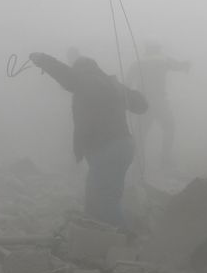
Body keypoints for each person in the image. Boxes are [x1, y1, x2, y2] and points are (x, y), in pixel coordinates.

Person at [28, 51, 148, 228]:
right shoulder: (112, 85)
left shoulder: (84, 80)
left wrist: (42, 59)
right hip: (124, 147)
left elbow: (63, 73)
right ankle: (98, 234)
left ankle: (124, 237)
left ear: (80, 70)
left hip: (106, 148)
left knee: (104, 200)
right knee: (100, 196)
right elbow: (142, 106)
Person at [127, 42, 191, 176]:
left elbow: (128, 82)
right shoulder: (163, 60)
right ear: (157, 49)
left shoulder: (138, 63)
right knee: (169, 127)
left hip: (143, 103)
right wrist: (186, 64)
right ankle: (165, 160)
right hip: (159, 103)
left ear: (147, 49)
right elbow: (179, 66)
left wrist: (129, 101)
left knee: (140, 134)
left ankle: (138, 165)